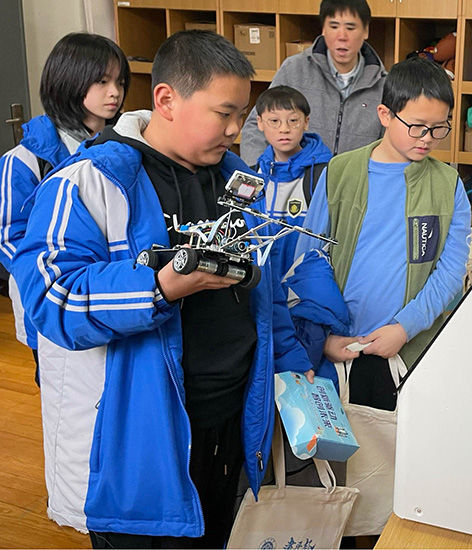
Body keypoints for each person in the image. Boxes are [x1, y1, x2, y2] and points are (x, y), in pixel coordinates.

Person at [11, 30, 314, 548]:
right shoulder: (89, 180)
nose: (237, 129)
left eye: (243, 113)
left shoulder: (236, 180)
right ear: (167, 100)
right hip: (139, 441)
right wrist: (161, 286)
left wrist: (289, 361)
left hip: (231, 423)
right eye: (224, 113)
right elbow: (51, 297)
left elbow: (260, 288)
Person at [294, 56, 471, 411]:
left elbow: (451, 272)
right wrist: (322, 338)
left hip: (407, 348)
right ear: (385, 115)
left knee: (394, 449)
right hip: (338, 343)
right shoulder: (341, 172)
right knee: (343, 449)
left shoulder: (447, 185)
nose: (428, 139)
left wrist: (405, 327)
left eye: (440, 128)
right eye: (418, 126)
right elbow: (308, 261)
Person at [0, 32, 129, 382]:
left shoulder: (125, 150)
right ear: (69, 82)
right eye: (102, 81)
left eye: (119, 81)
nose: (114, 92)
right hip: (55, 307)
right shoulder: (24, 161)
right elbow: (11, 239)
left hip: (110, 301)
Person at [240, 0, 386, 165]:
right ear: (323, 29)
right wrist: (259, 173)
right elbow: (256, 125)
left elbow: (389, 146)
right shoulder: (295, 69)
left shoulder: (382, 84)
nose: (342, 37)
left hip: (355, 186)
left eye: (351, 28)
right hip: (300, 183)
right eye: (334, 26)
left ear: (365, 31)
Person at [254, 85, 332, 278]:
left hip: (304, 284)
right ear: (259, 123)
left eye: (293, 120)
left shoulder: (324, 174)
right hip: (263, 282)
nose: (284, 129)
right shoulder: (253, 175)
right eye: (274, 121)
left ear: (306, 122)